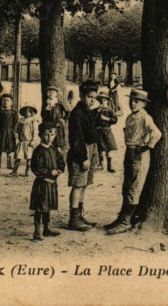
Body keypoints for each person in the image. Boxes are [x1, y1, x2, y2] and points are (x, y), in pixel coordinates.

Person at [105, 88, 161, 235]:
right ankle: (122, 217)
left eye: (137, 101)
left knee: (134, 187)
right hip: (129, 152)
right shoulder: (130, 117)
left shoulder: (145, 117)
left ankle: (126, 222)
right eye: (132, 100)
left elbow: (156, 133)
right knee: (126, 186)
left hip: (139, 154)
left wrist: (146, 146)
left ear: (143, 104)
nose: (133, 103)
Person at [66, 81, 100, 231]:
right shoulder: (76, 113)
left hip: (91, 149)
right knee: (78, 185)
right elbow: (77, 138)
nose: (92, 100)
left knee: (84, 184)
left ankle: (79, 215)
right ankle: (73, 219)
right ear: (81, 96)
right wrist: (83, 157)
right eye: (89, 96)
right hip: (81, 152)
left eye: (94, 97)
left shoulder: (88, 111)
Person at [30, 122, 66, 241]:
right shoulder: (38, 151)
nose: (49, 137)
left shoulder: (53, 149)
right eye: (46, 135)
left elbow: (60, 160)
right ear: (41, 135)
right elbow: (36, 168)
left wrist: (60, 169)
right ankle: (36, 231)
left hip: (51, 184)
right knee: (40, 208)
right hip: (42, 184)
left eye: (52, 135)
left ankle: (47, 229)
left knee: (48, 207)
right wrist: (50, 172)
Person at [94, 86, 119, 173]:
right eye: (101, 100)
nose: (103, 102)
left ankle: (110, 165)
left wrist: (107, 119)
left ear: (107, 101)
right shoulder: (97, 110)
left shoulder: (110, 110)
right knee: (101, 148)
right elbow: (93, 119)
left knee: (109, 149)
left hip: (107, 131)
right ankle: (101, 164)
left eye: (104, 100)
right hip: (100, 131)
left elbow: (115, 119)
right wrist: (98, 112)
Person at [0, 94, 19, 170]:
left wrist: (15, 131)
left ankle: (9, 163)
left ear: (11, 103)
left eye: (8, 100)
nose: (6, 102)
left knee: (9, 148)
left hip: (9, 132)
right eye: (4, 100)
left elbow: (16, 122)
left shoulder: (14, 112)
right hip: (0, 131)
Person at [42, 85, 69, 155]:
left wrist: (63, 119)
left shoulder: (59, 103)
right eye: (50, 92)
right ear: (47, 93)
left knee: (57, 144)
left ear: (56, 94)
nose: (51, 94)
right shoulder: (45, 103)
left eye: (53, 92)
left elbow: (68, 112)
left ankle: (58, 161)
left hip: (57, 126)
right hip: (48, 126)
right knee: (48, 143)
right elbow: (42, 114)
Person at [13, 105, 39, 177]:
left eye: (28, 112)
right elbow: (17, 129)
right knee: (18, 156)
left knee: (29, 157)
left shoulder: (33, 121)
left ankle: (27, 171)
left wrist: (33, 140)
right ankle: (14, 171)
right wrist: (16, 134)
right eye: (25, 111)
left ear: (32, 113)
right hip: (22, 141)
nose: (26, 113)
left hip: (29, 142)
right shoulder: (21, 120)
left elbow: (35, 132)